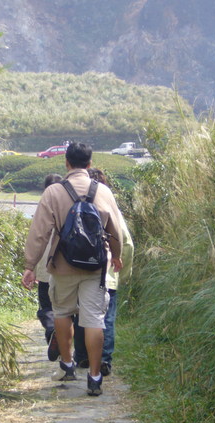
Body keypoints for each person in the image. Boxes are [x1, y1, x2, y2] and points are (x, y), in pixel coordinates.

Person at [22, 142, 123, 396]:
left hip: (63, 265)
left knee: (63, 312)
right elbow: (116, 231)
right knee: (94, 319)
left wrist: (30, 265)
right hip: (94, 267)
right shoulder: (102, 191)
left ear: (66, 163)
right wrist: (117, 256)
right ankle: (95, 377)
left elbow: (39, 233)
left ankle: (67, 365)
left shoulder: (54, 192)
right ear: (89, 164)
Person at [73, 168, 134, 376]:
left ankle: (82, 357)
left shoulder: (75, 208)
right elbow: (127, 243)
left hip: (80, 270)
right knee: (105, 318)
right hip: (107, 273)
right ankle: (104, 359)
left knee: (82, 315)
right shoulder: (110, 208)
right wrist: (121, 274)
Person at [34, 174, 63, 361]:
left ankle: (52, 330)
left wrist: (30, 267)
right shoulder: (67, 205)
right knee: (66, 308)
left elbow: (35, 238)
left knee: (46, 306)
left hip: (45, 268)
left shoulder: (41, 208)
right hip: (65, 265)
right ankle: (68, 345)